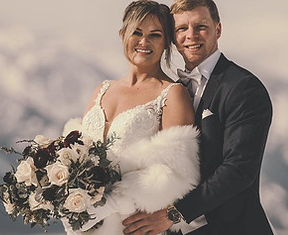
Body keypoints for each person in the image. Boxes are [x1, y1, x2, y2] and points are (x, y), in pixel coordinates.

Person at [122, 0, 274, 234]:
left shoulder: (243, 88)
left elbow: (238, 170)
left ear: (218, 29)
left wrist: (174, 213)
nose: (191, 36)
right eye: (182, 29)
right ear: (173, 37)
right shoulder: (170, 90)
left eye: (200, 27)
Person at [61, 0, 201, 234]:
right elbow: (77, 155)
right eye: (137, 32)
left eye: (155, 35)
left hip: (135, 228)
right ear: (122, 34)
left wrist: (113, 202)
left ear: (166, 43)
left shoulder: (172, 94)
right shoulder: (102, 90)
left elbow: (178, 175)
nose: (144, 42)